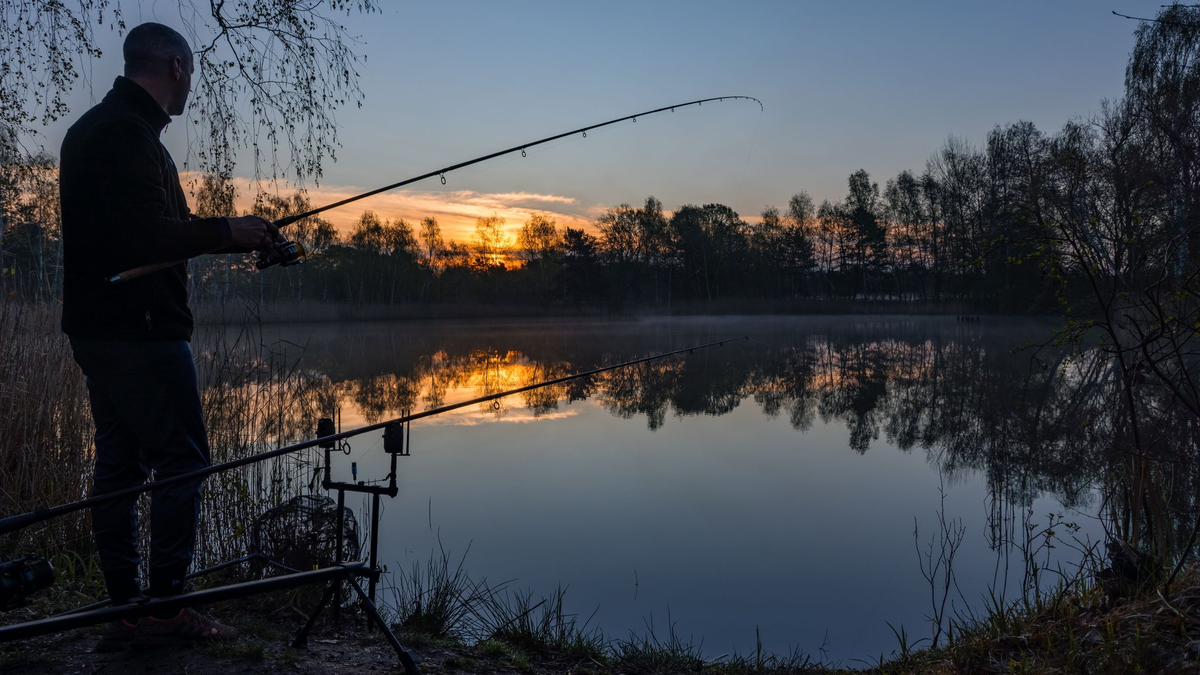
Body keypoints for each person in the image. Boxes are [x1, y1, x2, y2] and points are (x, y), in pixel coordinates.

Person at [59, 22, 278, 650]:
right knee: (181, 461)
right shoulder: (126, 135)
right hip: (142, 334)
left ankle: (126, 613)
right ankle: (164, 613)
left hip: (101, 332)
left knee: (121, 468)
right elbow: (145, 238)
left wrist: (232, 237)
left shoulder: (94, 131)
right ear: (176, 67)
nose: (191, 88)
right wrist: (226, 230)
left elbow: (150, 232)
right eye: (191, 75)